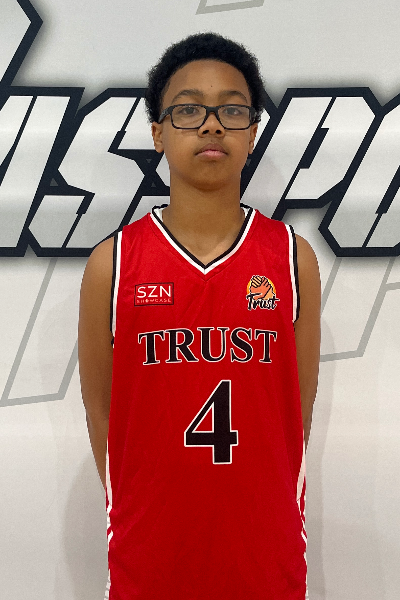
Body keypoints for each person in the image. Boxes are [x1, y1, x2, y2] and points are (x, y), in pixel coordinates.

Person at [78, 32, 320, 600]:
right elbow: (103, 413)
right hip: (150, 555)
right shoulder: (113, 263)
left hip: (265, 554)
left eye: (231, 110)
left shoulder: (291, 258)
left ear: (252, 132)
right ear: (157, 132)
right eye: (188, 110)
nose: (212, 126)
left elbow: (294, 412)